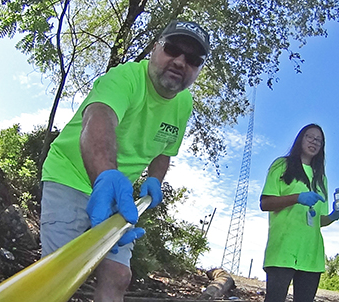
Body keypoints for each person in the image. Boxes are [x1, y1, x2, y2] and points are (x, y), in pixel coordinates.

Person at [39, 20, 210, 301]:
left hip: (118, 196)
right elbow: (98, 119)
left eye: (193, 59)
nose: (180, 62)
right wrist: (106, 177)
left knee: (118, 276)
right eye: (172, 49)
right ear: (156, 48)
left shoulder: (184, 103)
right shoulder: (125, 77)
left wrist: (155, 178)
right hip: (70, 176)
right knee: (57, 276)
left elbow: (164, 151)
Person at [260, 124, 339, 302]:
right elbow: (265, 203)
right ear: (300, 139)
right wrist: (297, 198)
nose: (314, 142)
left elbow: (320, 220)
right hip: (282, 251)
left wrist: (334, 215)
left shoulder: (321, 179)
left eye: (319, 140)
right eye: (309, 137)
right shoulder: (281, 165)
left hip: (312, 255)